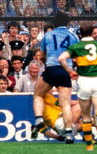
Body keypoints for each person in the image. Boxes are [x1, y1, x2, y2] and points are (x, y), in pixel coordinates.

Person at [31, 12, 79, 143]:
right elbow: (77, 55)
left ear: (54, 23)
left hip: (52, 68)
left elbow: (42, 54)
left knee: (38, 95)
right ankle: (69, 134)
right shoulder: (74, 36)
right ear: (68, 23)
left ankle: (39, 120)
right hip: (65, 71)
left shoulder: (48, 35)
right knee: (66, 105)